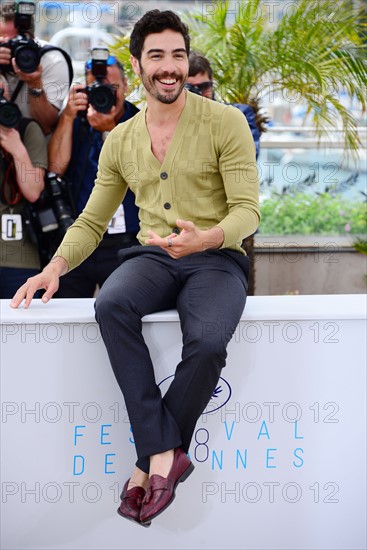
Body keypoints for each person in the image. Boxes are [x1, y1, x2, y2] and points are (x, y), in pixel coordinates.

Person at [11, 9, 260, 526]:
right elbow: (92, 220)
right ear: (138, 63)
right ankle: (165, 453)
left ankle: (150, 461)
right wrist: (54, 268)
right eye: (156, 57)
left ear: (185, 58)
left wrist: (207, 238)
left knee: (210, 340)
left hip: (215, 258)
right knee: (112, 303)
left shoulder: (226, 122)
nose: (168, 67)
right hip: (152, 256)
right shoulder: (120, 139)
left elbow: (247, 212)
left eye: (176, 55)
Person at [48, 54, 140, 298]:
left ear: (126, 86)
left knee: (122, 310)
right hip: (78, 241)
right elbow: (56, 167)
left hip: (127, 243)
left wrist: (110, 130)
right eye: (96, 88)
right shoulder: (76, 120)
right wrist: (67, 117)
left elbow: (142, 177)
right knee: (65, 316)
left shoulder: (141, 121)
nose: (105, 95)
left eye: (112, 88)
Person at [0, 76, 47, 297]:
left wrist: (17, 149)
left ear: (9, 97)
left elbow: (33, 191)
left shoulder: (27, 130)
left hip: (19, 257)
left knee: (21, 328)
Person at [0, 0, 70, 135]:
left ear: (31, 38)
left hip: (34, 147)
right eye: (4, 42)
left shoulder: (51, 60)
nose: (12, 48)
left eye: (16, 41)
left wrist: (35, 84)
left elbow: (46, 126)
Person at [187, 50, 261, 159]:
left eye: (204, 86)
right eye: (191, 89)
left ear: (212, 81)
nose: (199, 93)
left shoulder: (239, 114)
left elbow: (247, 157)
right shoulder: (171, 120)